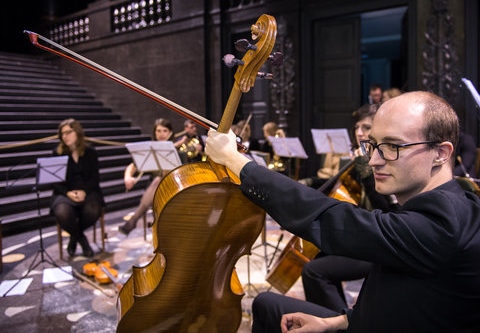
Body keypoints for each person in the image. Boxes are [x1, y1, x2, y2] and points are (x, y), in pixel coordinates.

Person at [205, 91, 480, 332]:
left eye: (392, 147)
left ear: (441, 153)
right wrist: (339, 321)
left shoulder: (445, 220)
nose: (373, 160)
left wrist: (236, 162)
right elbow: (406, 298)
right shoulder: (440, 207)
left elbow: (330, 216)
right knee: (266, 304)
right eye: (372, 146)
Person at [301, 104, 398, 312]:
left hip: (379, 244)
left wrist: (365, 167)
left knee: (313, 271)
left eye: (366, 127)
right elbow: (338, 183)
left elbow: (387, 207)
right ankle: (334, 316)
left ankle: (343, 325)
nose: (359, 133)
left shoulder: (386, 160)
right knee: (319, 259)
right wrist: (308, 183)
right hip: (363, 236)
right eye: (356, 128)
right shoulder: (359, 158)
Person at [51, 118, 103, 258]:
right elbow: (55, 182)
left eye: (68, 132)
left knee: (93, 210)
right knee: (62, 212)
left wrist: (84, 191)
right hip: (64, 192)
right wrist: (68, 193)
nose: (65, 136)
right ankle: (82, 240)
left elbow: (95, 178)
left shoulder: (90, 152)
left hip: (88, 191)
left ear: (77, 132)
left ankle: (74, 237)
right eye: (62, 134)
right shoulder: (57, 153)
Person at [119, 118, 176, 236]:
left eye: (165, 131)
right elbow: (132, 166)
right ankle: (135, 221)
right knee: (156, 181)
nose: (161, 134)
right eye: (158, 131)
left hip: (173, 187)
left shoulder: (177, 148)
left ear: (170, 132)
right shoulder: (150, 149)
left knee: (157, 180)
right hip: (154, 190)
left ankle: (134, 219)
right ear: (154, 132)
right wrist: (128, 177)